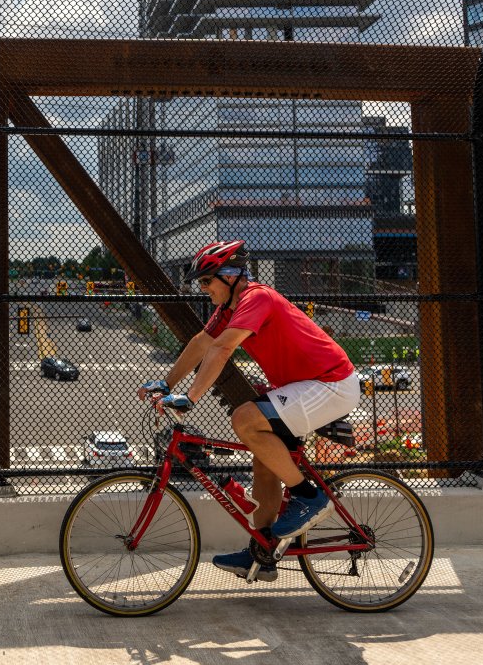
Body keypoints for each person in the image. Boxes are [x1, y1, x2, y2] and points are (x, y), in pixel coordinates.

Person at [138, 240, 359, 582]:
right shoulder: (230, 307)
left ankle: (308, 497)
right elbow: (201, 342)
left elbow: (224, 347)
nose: (204, 289)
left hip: (330, 383)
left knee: (244, 418)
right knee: (264, 460)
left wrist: (190, 397)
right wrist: (166, 385)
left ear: (229, 277)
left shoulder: (257, 297)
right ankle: (264, 552)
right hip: (303, 386)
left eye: (207, 281)